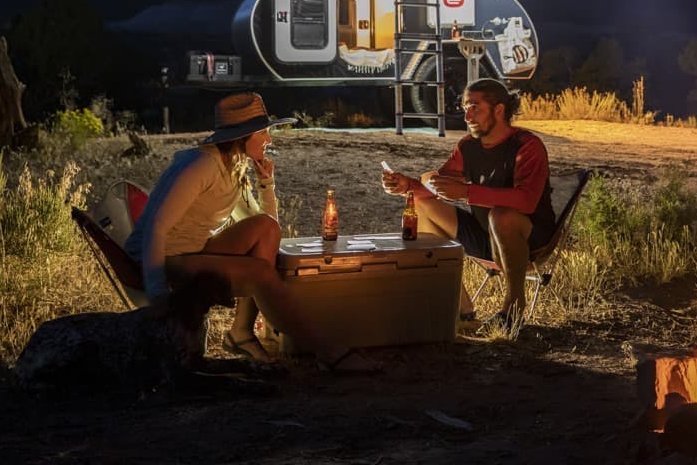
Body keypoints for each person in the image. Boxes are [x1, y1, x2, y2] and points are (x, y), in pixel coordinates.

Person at [125, 92, 378, 372]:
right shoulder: (200, 166)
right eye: (264, 133)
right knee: (259, 272)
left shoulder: (234, 165)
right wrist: (158, 295)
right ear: (242, 136)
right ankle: (327, 350)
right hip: (158, 257)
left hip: (193, 249)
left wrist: (266, 183)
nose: (268, 140)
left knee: (265, 229)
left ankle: (241, 332)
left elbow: (268, 225)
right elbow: (155, 228)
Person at [381, 78, 555, 336]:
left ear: (499, 110)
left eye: (475, 108)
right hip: (486, 235)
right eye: (464, 108)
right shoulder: (469, 146)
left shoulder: (527, 146)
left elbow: (526, 201)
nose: (467, 116)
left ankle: (513, 308)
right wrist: (408, 185)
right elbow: (437, 185)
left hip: (529, 241)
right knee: (421, 204)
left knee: (501, 215)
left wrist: (466, 192)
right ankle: (462, 311)